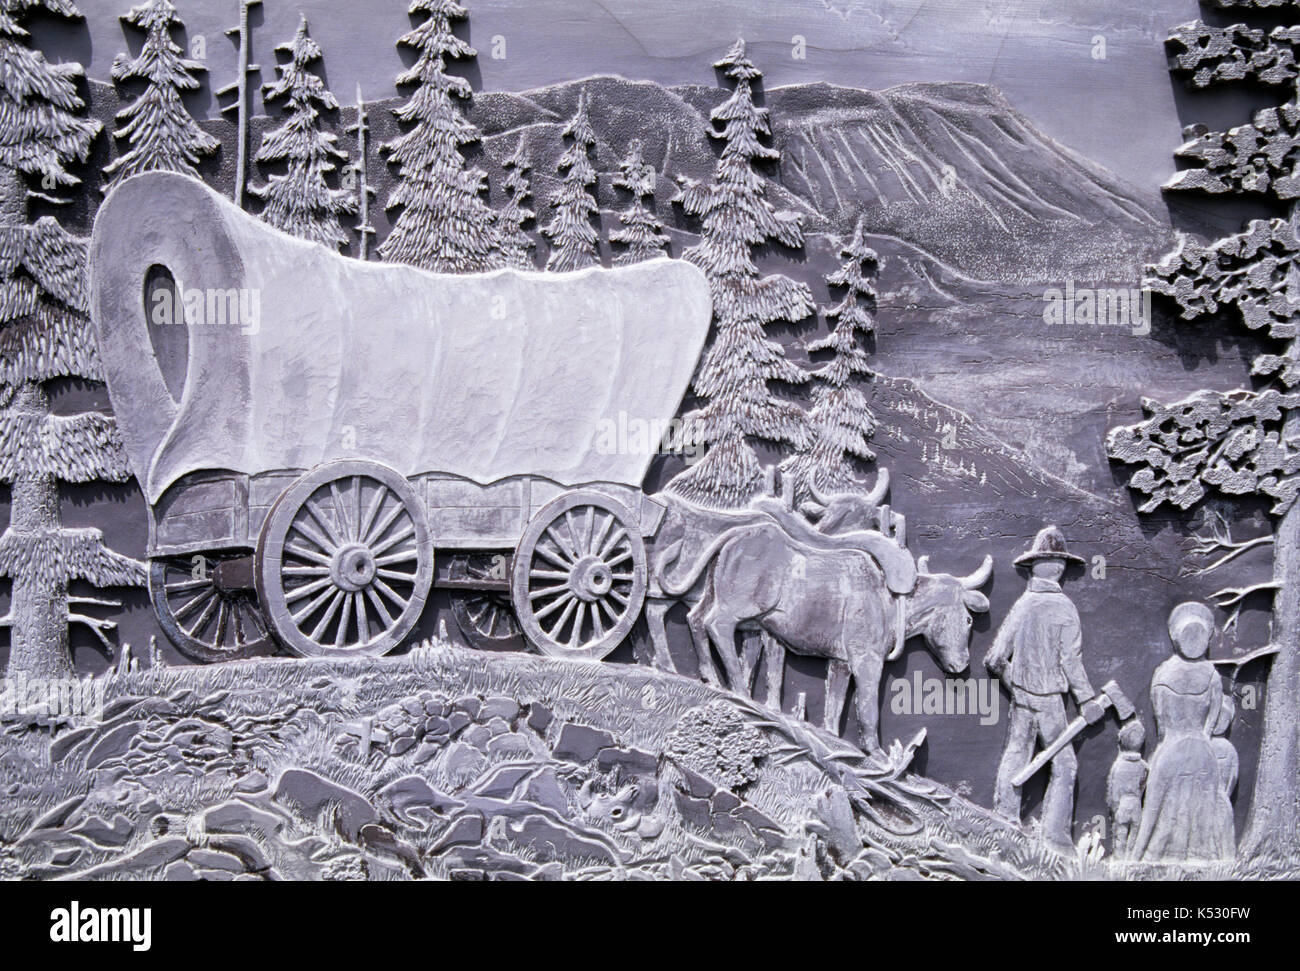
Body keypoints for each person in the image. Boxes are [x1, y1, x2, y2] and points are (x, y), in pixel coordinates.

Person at [986, 525, 1102, 852]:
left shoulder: (1023, 605)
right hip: (1051, 702)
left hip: (1023, 699)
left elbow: (995, 658)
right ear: (1060, 567)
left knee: (1016, 753)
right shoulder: (1064, 608)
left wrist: (1018, 686)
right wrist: (1087, 700)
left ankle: (1005, 820)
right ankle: (1055, 836)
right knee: (1065, 765)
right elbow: (1070, 662)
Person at [1131, 602, 1235, 863]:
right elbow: (1212, 719)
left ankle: (1143, 858)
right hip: (1202, 750)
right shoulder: (1212, 675)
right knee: (1201, 808)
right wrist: (1202, 736)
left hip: (1172, 748)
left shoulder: (1163, 674)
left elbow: (1162, 722)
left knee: (1158, 811)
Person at [1106, 719, 1147, 860]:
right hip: (1136, 804)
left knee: (1120, 836)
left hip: (1122, 805)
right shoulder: (1144, 766)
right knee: (1134, 837)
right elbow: (1143, 786)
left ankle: (1119, 861)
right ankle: (1131, 861)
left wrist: (1114, 807)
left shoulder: (1118, 766)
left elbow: (1113, 790)